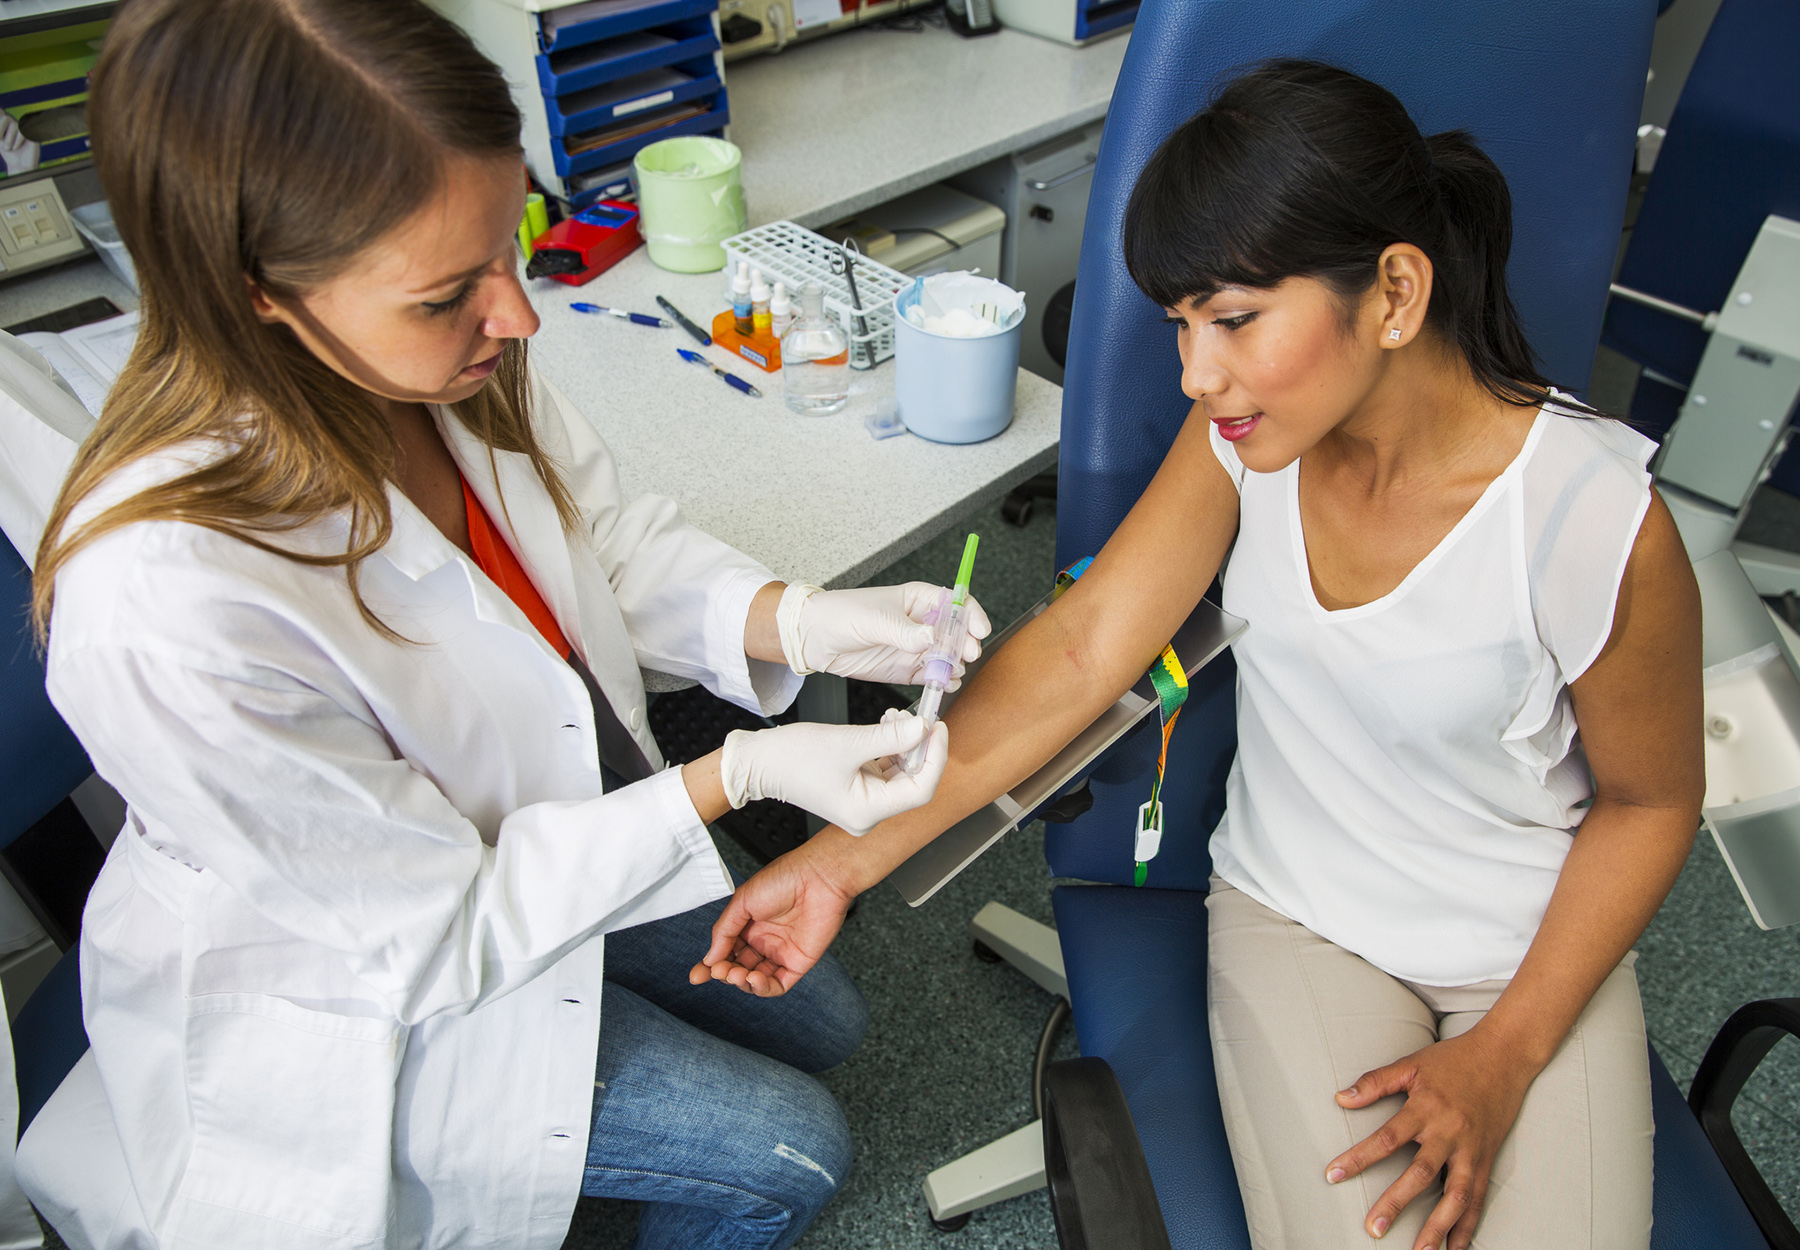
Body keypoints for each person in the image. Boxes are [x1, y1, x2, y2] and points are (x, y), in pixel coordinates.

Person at [20, 1, 988, 1247]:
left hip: (555, 829)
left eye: (508, 244)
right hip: (381, 980)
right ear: (258, 292)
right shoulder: (166, 601)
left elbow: (599, 539)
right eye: (447, 293)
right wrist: (728, 773)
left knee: (832, 1021)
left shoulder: (439, 356)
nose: (519, 316)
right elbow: (441, 932)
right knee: (794, 1147)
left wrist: (795, 620)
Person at [692, 61, 1703, 1250]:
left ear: (1392, 290)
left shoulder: (1597, 523)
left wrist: (1508, 1048)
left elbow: (1650, 803)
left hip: (1526, 948)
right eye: (1181, 324)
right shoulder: (1245, 442)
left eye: (1231, 320)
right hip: (1303, 916)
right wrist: (836, 862)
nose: (1195, 373)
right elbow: (1076, 653)